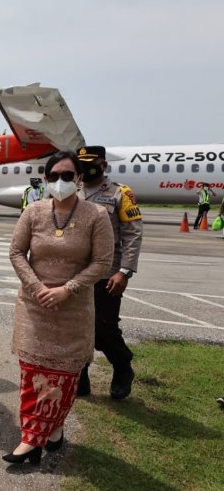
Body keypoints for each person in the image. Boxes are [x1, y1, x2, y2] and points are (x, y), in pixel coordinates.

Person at [3, 151, 113, 465]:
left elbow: (103, 262)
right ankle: (30, 439)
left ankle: (54, 429)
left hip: (74, 309)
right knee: (33, 375)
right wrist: (37, 288)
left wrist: (68, 289)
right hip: (34, 308)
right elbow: (16, 253)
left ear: (79, 178)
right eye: (54, 176)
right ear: (46, 179)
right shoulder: (33, 211)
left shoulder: (96, 215)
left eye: (68, 175)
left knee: (63, 377)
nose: (61, 182)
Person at [77, 145, 143, 399]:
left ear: (103, 165)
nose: (85, 168)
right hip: (76, 273)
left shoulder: (120, 193)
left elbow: (133, 234)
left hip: (107, 272)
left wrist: (124, 272)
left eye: (91, 163)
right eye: (82, 163)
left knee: (103, 329)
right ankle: (81, 378)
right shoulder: (73, 191)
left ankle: (123, 366)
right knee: (77, 327)